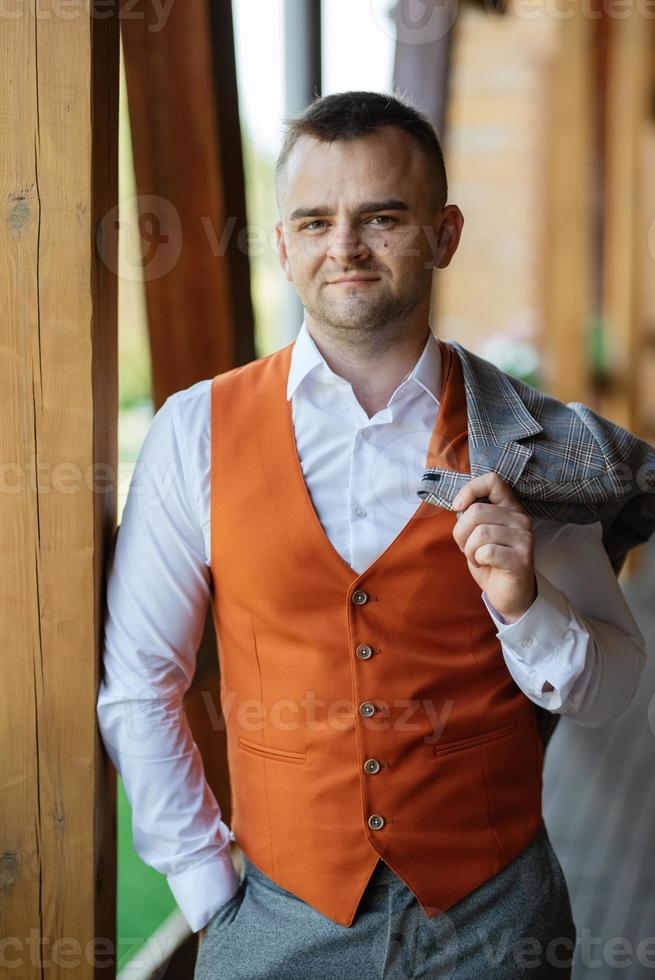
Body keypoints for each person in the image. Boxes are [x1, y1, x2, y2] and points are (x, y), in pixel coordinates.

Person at [97, 92, 647, 979]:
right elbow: (138, 685)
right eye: (314, 220)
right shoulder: (193, 431)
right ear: (281, 245)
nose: (344, 247)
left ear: (444, 233)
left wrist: (523, 606)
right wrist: (207, 889)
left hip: (497, 926)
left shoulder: (526, 439)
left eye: (381, 217)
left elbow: (610, 685)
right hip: (278, 923)